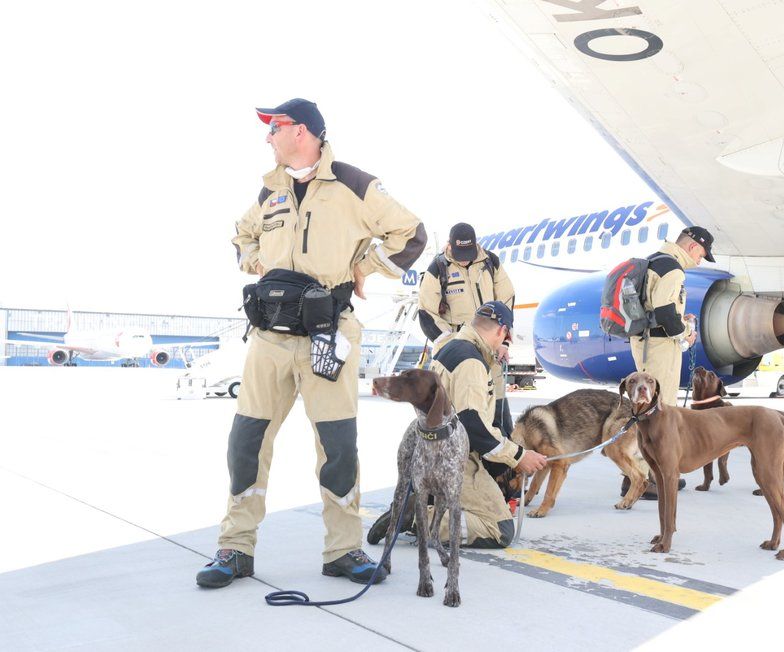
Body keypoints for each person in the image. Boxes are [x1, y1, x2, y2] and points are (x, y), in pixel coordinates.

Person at [196, 98, 427, 588]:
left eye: (273, 127)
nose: (267, 137)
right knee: (246, 442)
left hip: (330, 333)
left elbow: (411, 233)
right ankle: (235, 548)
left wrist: (365, 269)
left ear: (301, 131)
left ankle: (343, 550)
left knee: (338, 446)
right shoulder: (269, 192)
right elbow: (241, 238)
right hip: (270, 338)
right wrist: (259, 266)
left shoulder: (354, 184)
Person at [368, 301, 547, 548]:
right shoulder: (471, 362)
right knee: (499, 530)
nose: (502, 345)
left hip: (429, 448)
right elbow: (472, 424)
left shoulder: (451, 347)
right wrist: (518, 456)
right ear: (501, 331)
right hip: (451, 457)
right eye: (505, 338)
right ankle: (416, 519)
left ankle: (424, 501)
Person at [623, 226, 715, 499]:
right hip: (661, 346)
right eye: (702, 254)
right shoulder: (673, 268)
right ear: (692, 247)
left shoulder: (653, 260)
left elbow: (658, 308)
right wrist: (687, 332)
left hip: (646, 342)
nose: (700, 260)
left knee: (644, 409)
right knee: (660, 411)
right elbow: (664, 311)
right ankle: (652, 478)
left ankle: (635, 476)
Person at [417, 223, 516, 431]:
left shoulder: (491, 263)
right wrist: (452, 345)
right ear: (450, 246)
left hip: (490, 350)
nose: (464, 258)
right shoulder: (438, 268)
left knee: (498, 417)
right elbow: (427, 313)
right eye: (460, 253)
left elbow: (506, 300)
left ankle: (504, 460)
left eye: (468, 252)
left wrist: (503, 341)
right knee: (463, 416)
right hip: (459, 354)